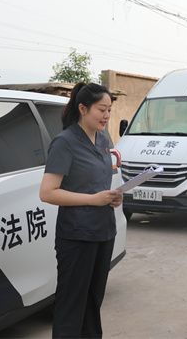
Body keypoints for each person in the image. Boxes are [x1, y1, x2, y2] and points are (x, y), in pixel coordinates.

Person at [39, 82, 123, 338]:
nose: (107, 116)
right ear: (83, 109)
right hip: (76, 236)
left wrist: (112, 198)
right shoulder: (64, 142)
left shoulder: (103, 139)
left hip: (103, 231)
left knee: (92, 302)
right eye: (102, 109)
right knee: (71, 304)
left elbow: (97, 183)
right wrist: (92, 199)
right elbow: (47, 192)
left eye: (109, 109)